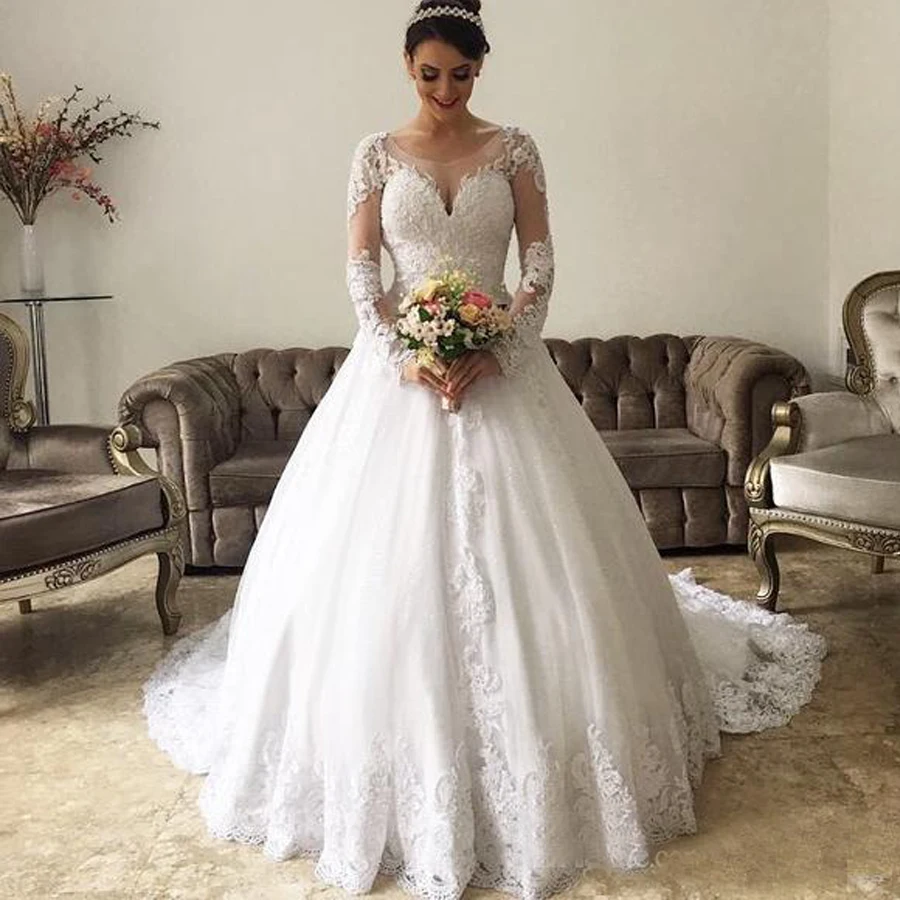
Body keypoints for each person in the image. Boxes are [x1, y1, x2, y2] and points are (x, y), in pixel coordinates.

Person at [143, 3, 827, 898]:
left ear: (480, 68)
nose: (445, 90)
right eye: (430, 74)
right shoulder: (374, 154)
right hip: (397, 378)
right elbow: (363, 271)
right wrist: (407, 356)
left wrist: (498, 346)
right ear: (407, 65)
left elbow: (537, 263)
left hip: (504, 368)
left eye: (461, 75)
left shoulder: (516, 150)